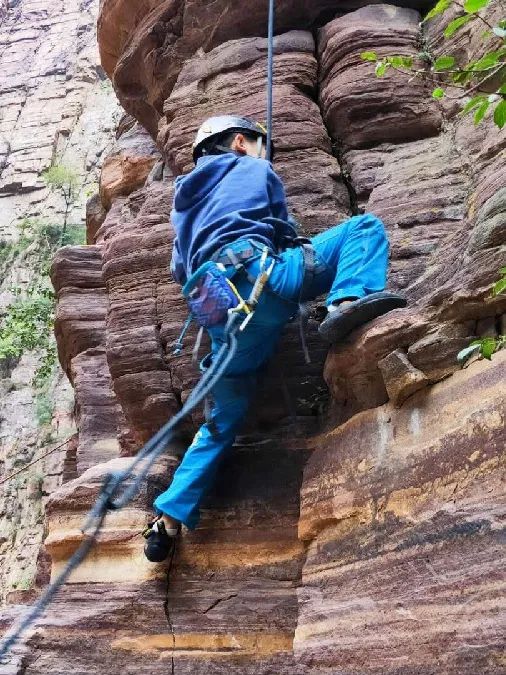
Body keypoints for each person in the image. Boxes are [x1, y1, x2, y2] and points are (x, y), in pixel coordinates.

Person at [143, 115, 406, 562]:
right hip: (264, 281)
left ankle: (167, 518)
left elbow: (178, 270)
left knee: (220, 423)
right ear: (240, 142)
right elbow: (283, 229)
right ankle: (345, 303)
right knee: (364, 230)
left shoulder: (181, 207)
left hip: (220, 316)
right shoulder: (253, 168)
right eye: (260, 146)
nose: (264, 155)